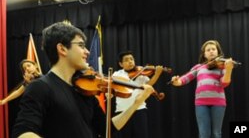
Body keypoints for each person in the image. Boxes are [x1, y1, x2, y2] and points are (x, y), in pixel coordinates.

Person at [12, 22, 155, 138]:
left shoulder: (84, 90)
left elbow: (107, 128)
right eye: (81, 45)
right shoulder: (40, 87)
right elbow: (23, 133)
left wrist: (136, 103)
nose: (87, 52)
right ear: (62, 49)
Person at [171, 40, 234, 138]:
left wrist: (229, 69)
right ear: (204, 54)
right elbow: (186, 78)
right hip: (201, 103)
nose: (211, 51)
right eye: (208, 50)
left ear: (218, 52)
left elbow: (224, 83)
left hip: (218, 102)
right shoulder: (199, 67)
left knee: (216, 133)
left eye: (213, 49)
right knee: (204, 134)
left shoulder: (222, 66)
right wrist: (176, 81)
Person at [112, 51, 163, 138]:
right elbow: (113, 86)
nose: (130, 61)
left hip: (139, 110)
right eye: (126, 60)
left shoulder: (141, 74)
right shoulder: (117, 74)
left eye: (132, 59)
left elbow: (149, 85)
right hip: (122, 111)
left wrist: (157, 74)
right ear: (121, 64)